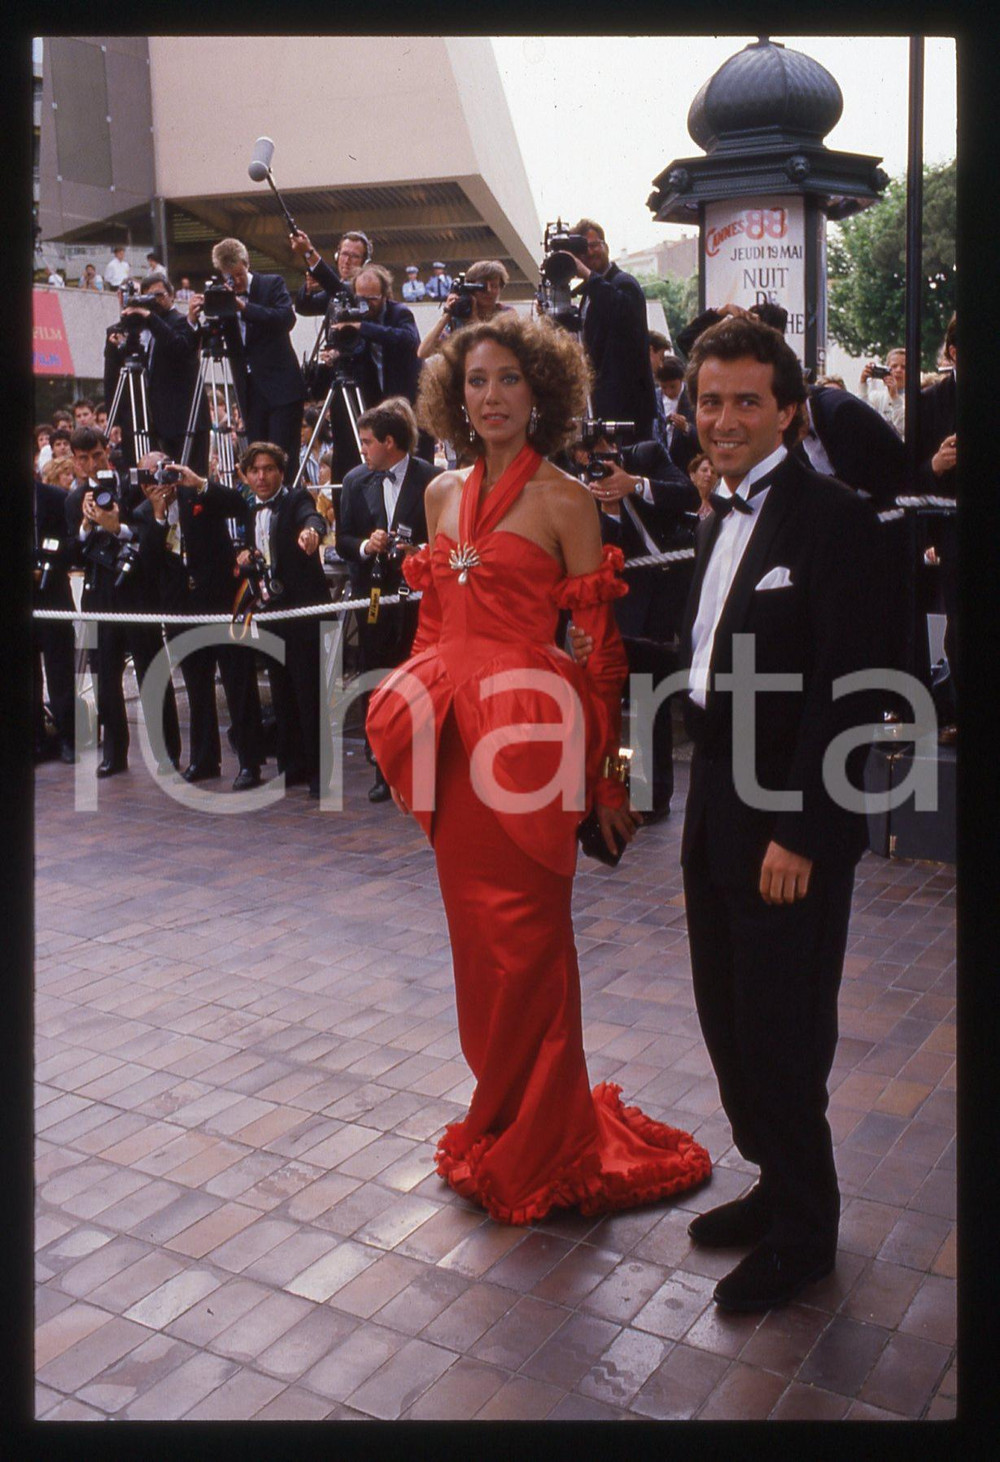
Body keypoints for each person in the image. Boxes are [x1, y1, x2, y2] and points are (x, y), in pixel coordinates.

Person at [365, 312, 711, 1225]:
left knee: (531, 947)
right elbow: (436, 620)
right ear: (454, 394)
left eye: (509, 379)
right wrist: (419, 706)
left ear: (541, 390)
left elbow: (600, 656)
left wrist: (602, 782)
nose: (491, 397)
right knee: (478, 952)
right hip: (457, 744)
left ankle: (549, 1134)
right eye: (476, 381)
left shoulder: (567, 501)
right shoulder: (440, 494)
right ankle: (505, 1109)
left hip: (530, 741)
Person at [676, 316, 883, 1312]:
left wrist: (804, 830)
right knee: (728, 1020)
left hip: (788, 815)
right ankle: (771, 1181)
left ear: (787, 409)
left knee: (783, 1029)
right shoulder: (713, 514)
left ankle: (807, 1228)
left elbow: (857, 691)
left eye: (745, 400)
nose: (722, 419)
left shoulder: (833, 515)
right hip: (715, 801)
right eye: (709, 399)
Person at [132, 453, 264, 790]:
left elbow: (240, 503)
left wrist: (201, 483)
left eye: (163, 471)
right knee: (196, 685)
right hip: (182, 611)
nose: (159, 482)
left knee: (238, 682)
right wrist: (159, 518)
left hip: (221, 602)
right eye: (150, 476)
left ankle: (250, 762)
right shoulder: (144, 514)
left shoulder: (199, 493)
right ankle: (204, 759)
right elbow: (147, 565)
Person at [336, 397, 440, 802]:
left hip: (419, 599)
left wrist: (420, 552)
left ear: (390, 441)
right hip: (374, 596)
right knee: (376, 677)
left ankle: (424, 761)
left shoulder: (432, 478)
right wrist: (366, 544)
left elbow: (445, 533)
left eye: (367, 442)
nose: (362, 450)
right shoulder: (354, 480)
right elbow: (343, 539)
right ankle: (382, 764)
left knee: (419, 675)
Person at [65, 427, 182, 777]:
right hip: (99, 594)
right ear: (74, 460)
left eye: (97, 455)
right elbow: (73, 553)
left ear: (108, 451)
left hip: (136, 593)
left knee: (153, 673)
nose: (91, 464)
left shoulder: (132, 488)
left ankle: (167, 754)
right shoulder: (73, 500)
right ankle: (114, 754)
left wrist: (117, 527)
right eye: (83, 458)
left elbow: (151, 537)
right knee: (105, 679)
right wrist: (87, 526)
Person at [237, 442, 329, 798]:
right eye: (255, 471)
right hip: (270, 614)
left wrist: (311, 534)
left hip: (303, 614)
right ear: (246, 475)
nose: (262, 477)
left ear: (281, 471)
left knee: (309, 693)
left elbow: (313, 517)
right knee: (281, 692)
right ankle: (292, 766)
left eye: (269, 469)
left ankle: (321, 771)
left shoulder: (295, 500)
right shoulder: (248, 509)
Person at [187, 239, 305, 483]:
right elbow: (213, 336)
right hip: (249, 391)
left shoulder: (271, 284)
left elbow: (286, 319)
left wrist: (244, 307)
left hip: (282, 388)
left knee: (282, 456)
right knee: (257, 457)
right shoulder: (221, 294)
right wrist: (197, 316)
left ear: (246, 264)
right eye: (229, 277)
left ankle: (287, 506)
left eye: (239, 275)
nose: (235, 282)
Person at [556, 218, 657, 441]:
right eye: (583, 250)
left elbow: (620, 311)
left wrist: (587, 275)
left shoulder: (624, 282)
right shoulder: (590, 293)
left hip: (628, 409)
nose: (590, 253)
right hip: (604, 406)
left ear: (606, 247)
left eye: (595, 245)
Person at [103, 273, 209, 472]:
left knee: (188, 483)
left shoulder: (181, 322)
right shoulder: (131, 329)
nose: (154, 301)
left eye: (159, 295)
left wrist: (149, 316)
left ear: (171, 295)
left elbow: (179, 347)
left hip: (184, 423)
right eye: (147, 297)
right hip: (150, 424)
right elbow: (113, 379)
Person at [416, 260, 511, 361]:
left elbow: (493, 351)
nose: (489, 291)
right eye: (482, 287)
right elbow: (424, 352)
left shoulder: (506, 314)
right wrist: (447, 314)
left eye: (494, 286)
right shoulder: (459, 319)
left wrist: (473, 320)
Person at [859, 348, 906, 437]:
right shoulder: (876, 397)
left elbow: (903, 428)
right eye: (894, 366)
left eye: (904, 367)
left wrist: (895, 397)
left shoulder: (915, 399)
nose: (898, 370)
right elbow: (861, 416)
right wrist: (863, 382)